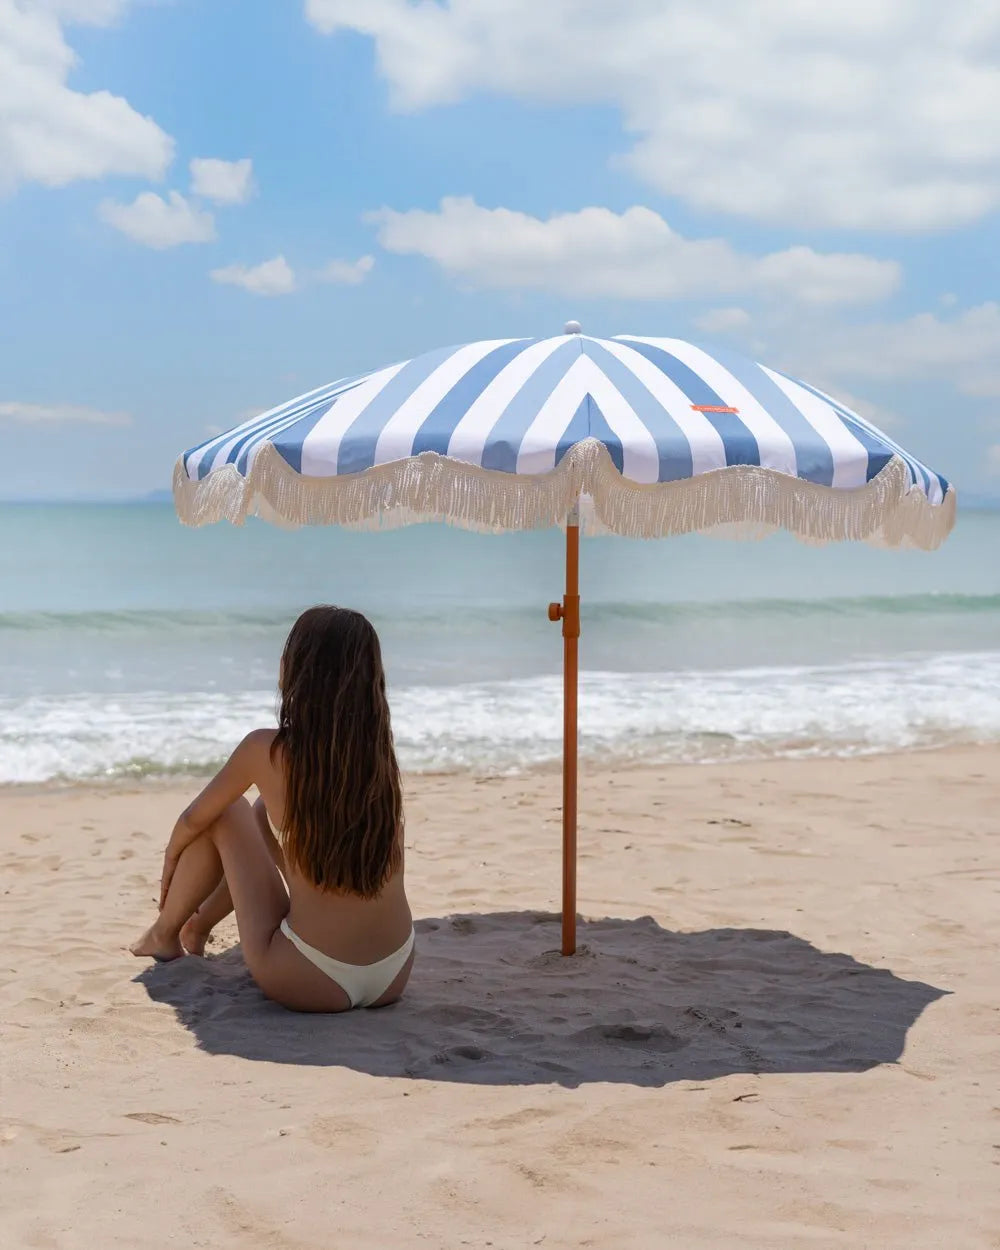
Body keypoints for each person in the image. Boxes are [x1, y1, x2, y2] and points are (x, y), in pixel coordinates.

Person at [130, 606, 414, 1013]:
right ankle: (197, 930)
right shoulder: (378, 762)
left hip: (311, 974)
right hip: (394, 971)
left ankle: (164, 932)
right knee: (263, 812)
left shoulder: (267, 749)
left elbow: (194, 818)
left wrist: (170, 859)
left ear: (295, 670)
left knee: (227, 812)